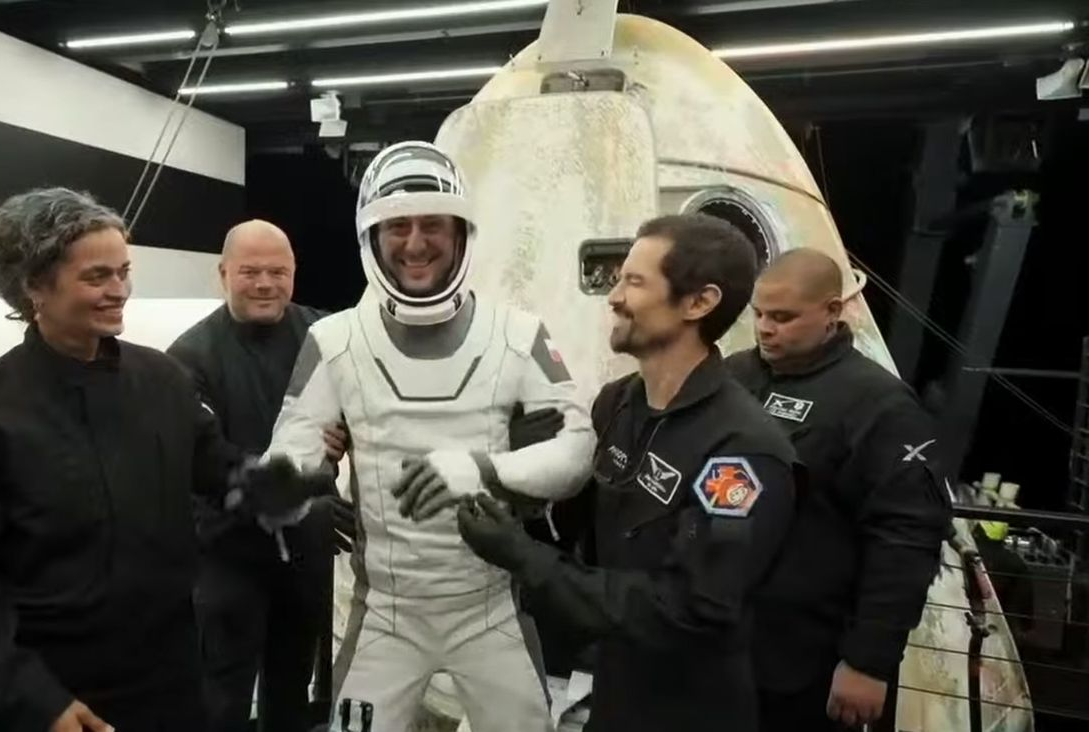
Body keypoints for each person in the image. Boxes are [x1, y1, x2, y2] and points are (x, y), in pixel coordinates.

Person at [238, 141, 596, 732]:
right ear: (372, 237)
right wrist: (287, 485)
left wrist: (483, 470)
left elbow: (577, 449)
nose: (415, 242)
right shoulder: (334, 341)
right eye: (397, 226)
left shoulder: (519, 334)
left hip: (490, 608)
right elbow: (292, 454)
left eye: (433, 224)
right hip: (387, 614)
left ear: (460, 233)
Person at [0, 188, 232, 732]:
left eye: (124, 272)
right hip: (52, 697)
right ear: (34, 285)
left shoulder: (163, 380)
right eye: (97, 277)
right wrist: (34, 698)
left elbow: (220, 469)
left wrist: (283, 481)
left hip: (169, 685)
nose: (119, 290)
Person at [456, 214, 799, 732]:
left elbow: (687, 611)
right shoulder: (618, 404)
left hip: (689, 713)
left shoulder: (742, 453)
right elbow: (577, 534)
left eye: (634, 282)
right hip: (616, 690)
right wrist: (518, 491)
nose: (614, 297)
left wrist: (521, 556)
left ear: (699, 303)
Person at [726, 248, 952, 731]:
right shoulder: (733, 377)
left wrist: (868, 661)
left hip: (803, 663)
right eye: (759, 314)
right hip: (716, 643)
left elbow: (906, 538)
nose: (765, 328)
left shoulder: (881, 406)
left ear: (832, 310)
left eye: (783, 317)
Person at [167, 219, 347, 732]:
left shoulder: (326, 337)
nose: (265, 283)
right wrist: (286, 478)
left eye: (277, 271)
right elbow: (203, 457)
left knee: (292, 691)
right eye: (250, 272)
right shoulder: (188, 357)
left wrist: (346, 434)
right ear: (223, 274)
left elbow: (363, 408)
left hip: (306, 550)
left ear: (294, 273)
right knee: (220, 697)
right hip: (226, 554)